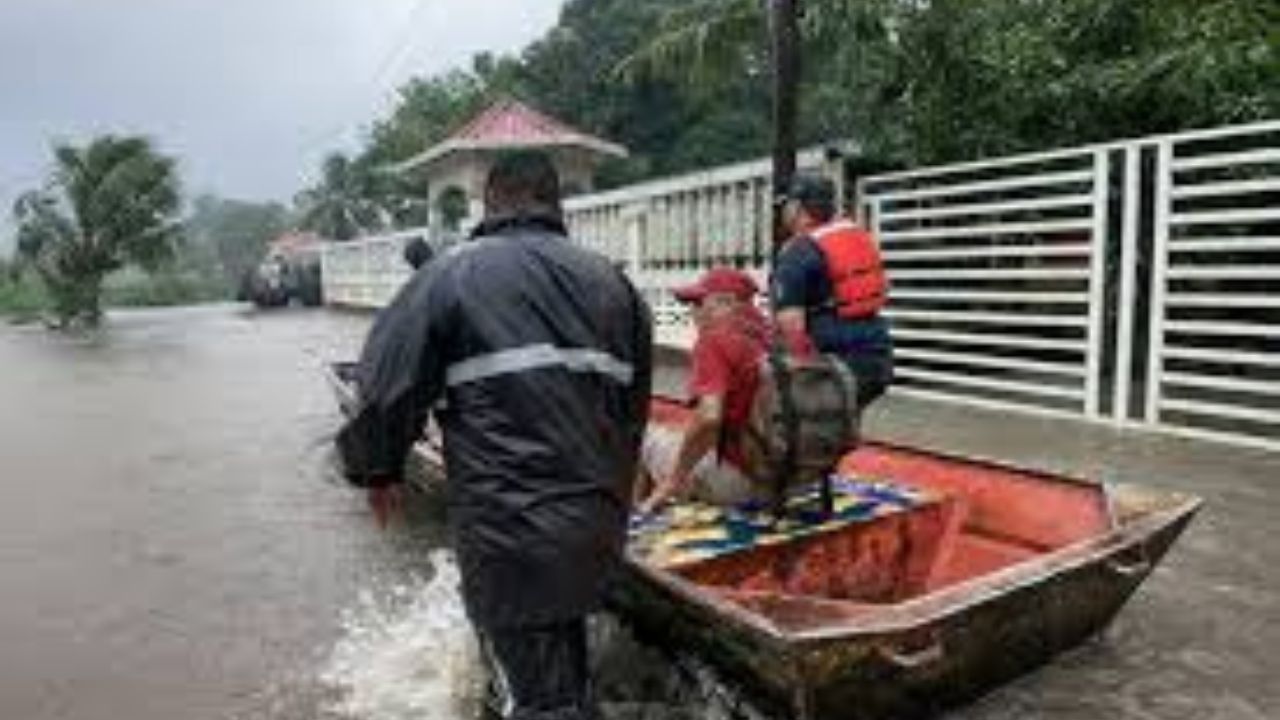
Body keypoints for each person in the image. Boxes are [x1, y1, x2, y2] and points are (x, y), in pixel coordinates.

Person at [336, 150, 652, 720]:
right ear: (558, 205)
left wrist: (375, 470)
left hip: (508, 535)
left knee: (540, 701)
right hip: (594, 531)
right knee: (559, 679)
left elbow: (383, 387)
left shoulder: (451, 274)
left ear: (489, 201)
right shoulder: (618, 288)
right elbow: (632, 420)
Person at [636, 267, 770, 515]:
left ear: (727, 303)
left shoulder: (716, 340)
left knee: (643, 437)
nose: (693, 312)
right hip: (799, 478)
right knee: (684, 439)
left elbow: (709, 417)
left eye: (699, 302)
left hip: (744, 484)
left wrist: (674, 479)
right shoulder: (782, 336)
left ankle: (640, 519)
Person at [772, 173, 893, 408]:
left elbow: (792, 326)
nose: (783, 212)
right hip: (878, 351)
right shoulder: (858, 236)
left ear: (798, 208)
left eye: (786, 205)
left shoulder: (798, 252)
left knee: (811, 429)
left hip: (834, 358)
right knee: (841, 425)